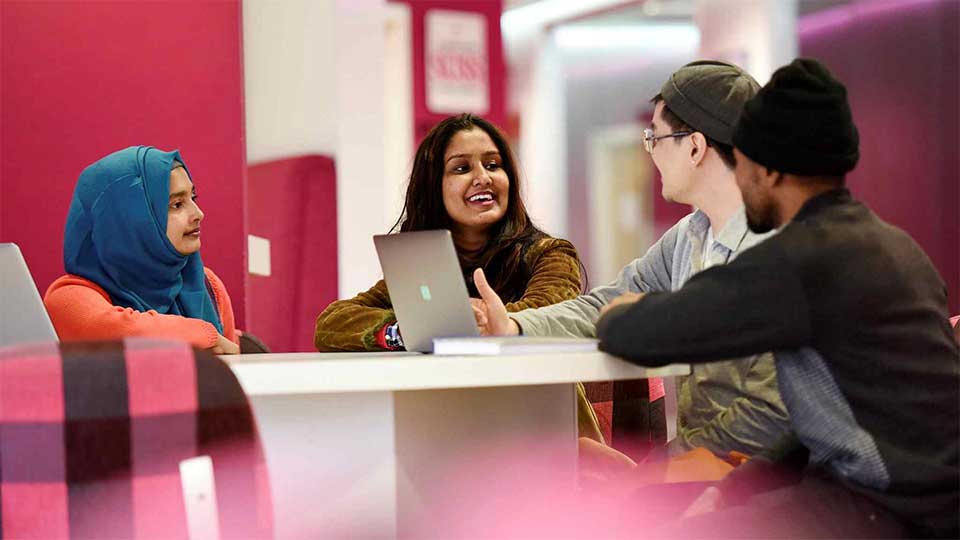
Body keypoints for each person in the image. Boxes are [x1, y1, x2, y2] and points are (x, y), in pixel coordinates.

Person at [597, 58, 959, 538]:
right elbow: (826, 420)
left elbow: (634, 335)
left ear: (766, 169)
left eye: (741, 164)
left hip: (887, 511)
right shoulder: (893, 246)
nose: (740, 183)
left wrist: (620, 311)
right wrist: (735, 488)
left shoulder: (797, 260)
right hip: (904, 498)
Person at [473, 61, 789, 459]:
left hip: (757, 490)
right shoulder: (689, 237)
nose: (650, 152)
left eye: (654, 137)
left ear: (694, 147)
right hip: (704, 470)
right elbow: (606, 303)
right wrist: (515, 325)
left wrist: (656, 472)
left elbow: (771, 416)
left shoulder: (778, 251)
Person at [313, 114, 602, 440]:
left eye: (493, 165)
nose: (483, 177)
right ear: (434, 187)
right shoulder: (422, 268)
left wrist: (478, 323)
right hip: (450, 431)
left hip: (547, 433)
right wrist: (404, 331)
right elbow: (331, 324)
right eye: (462, 168)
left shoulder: (550, 253)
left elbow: (547, 317)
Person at [44, 146, 239, 355]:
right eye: (176, 204)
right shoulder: (69, 297)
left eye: (193, 198)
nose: (198, 213)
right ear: (128, 218)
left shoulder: (208, 285)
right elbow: (122, 334)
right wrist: (206, 335)